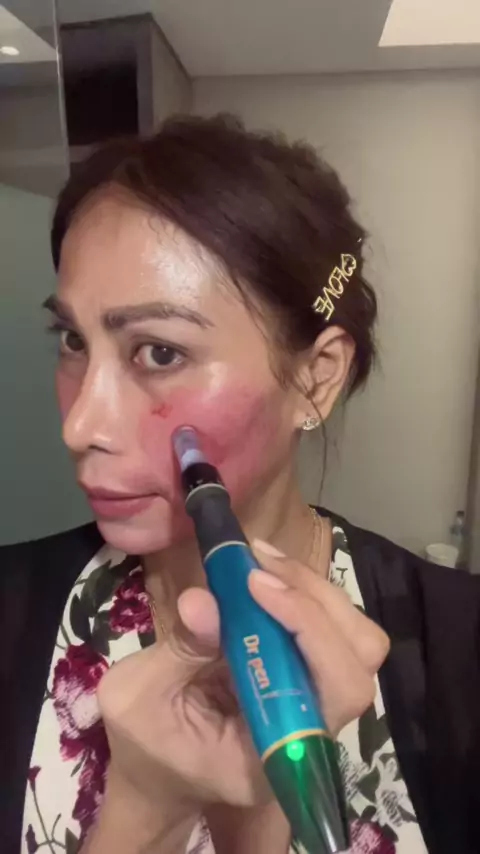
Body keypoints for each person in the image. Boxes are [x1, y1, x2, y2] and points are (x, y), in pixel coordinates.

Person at [1, 115, 479, 854]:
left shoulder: (460, 648)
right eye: (72, 340)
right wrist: (143, 812)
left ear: (316, 378)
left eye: (160, 352)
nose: (80, 425)